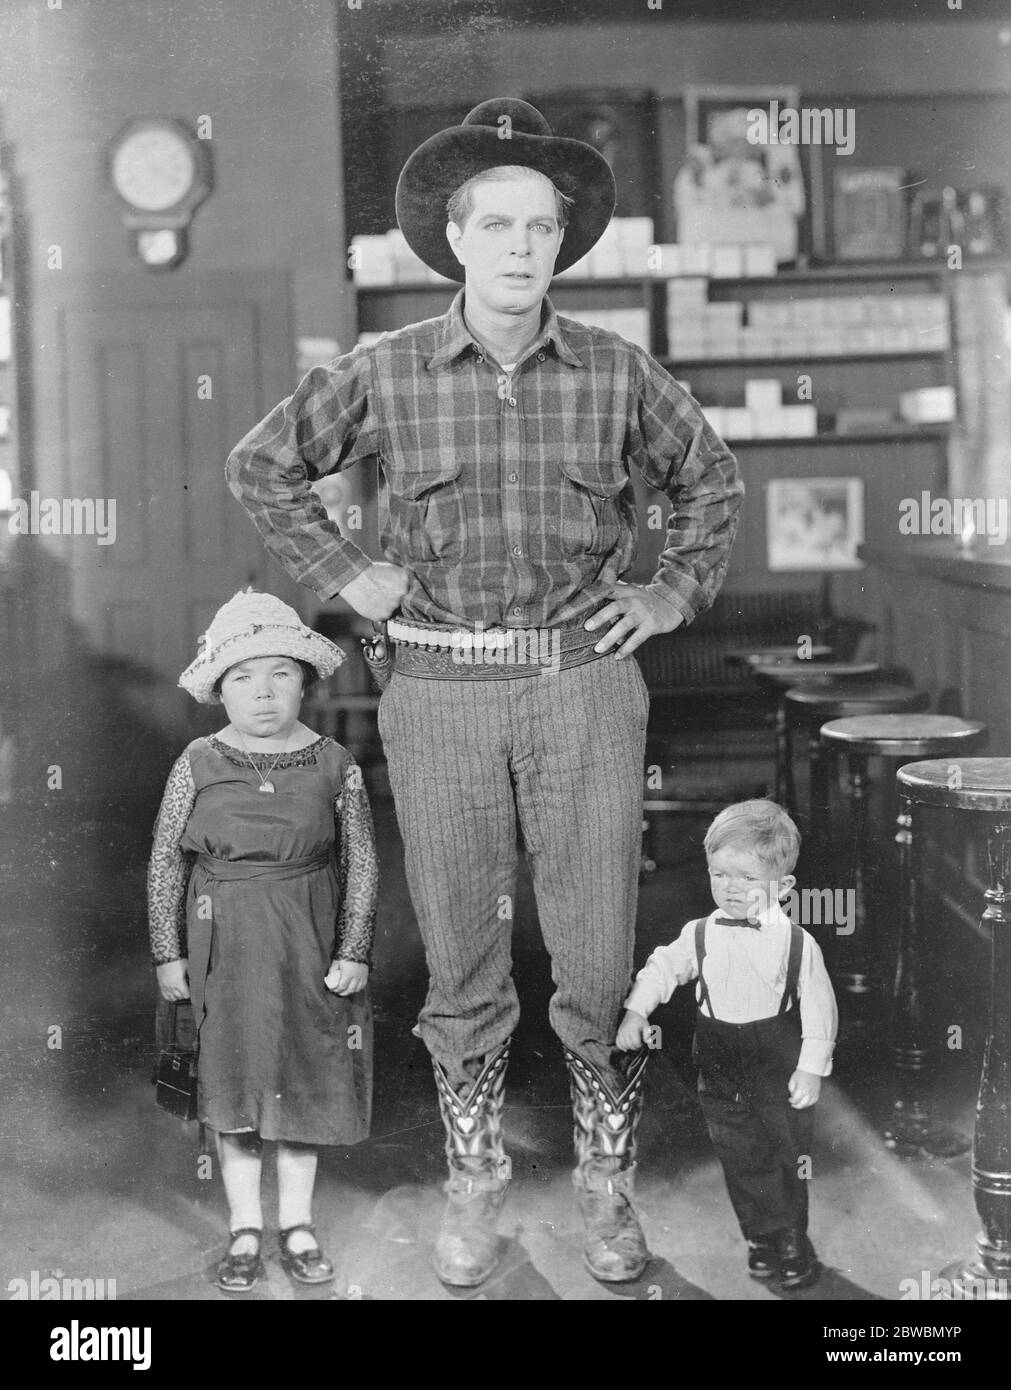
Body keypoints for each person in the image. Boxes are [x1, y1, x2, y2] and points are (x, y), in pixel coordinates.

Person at [225, 97, 743, 1288]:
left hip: (586, 693)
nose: (520, 247)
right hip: (441, 698)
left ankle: (608, 1194)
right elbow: (262, 463)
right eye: (496, 225)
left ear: (564, 241)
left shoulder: (618, 370)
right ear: (454, 239)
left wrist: (669, 598)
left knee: (599, 956)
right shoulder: (386, 371)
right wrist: (349, 572)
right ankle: (473, 1192)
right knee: (459, 954)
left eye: (541, 227)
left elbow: (712, 480)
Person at [148, 589, 377, 1293]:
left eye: (280, 673)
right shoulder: (197, 761)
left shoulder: (336, 763)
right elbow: (165, 859)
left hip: (307, 941)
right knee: (234, 1085)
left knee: (304, 1079)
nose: (264, 692)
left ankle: (296, 1225)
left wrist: (352, 951)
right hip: (223, 946)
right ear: (219, 691)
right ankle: (245, 1226)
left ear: (305, 682)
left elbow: (361, 860)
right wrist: (168, 954)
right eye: (243, 677)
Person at [617, 800, 837, 1290]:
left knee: (785, 1156)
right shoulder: (699, 934)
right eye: (720, 875)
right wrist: (637, 1008)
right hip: (718, 1067)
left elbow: (821, 1010)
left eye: (746, 878)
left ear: (783, 888)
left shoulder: (798, 944)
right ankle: (761, 1237)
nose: (730, 889)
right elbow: (662, 968)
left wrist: (810, 1068)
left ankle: (792, 1240)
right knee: (740, 1159)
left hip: (776, 1066)